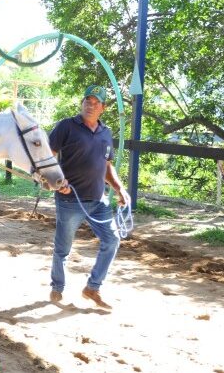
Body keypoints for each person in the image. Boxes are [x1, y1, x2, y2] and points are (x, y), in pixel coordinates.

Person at [47, 85, 131, 309]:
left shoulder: (106, 133)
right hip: (69, 200)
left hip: (99, 201)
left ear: (103, 108)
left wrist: (119, 188)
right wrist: (55, 181)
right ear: (82, 103)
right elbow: (47, 156)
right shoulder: (66, 126)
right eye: (87, 100)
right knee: (63, 249)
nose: (90, 105)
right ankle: (57, 288)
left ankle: (93, 287)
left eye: (96, 102)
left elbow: (106, 166)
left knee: (112, 240)